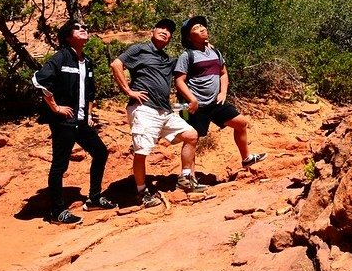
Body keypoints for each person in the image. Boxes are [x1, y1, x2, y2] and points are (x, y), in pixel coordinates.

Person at [110, 18, 207, 208]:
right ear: (152, 31)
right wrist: (129, 91)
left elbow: (187, 63)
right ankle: (141, 192)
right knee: (142, 151)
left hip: (165, 110)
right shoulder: (139, 49)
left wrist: (203, 46)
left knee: (191, 135)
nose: (165, 31)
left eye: (169, 30)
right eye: (161, 28)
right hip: (144, 109)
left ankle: (186, 178)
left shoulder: (166, 59)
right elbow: (116, 65)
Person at [32, 19, 116, 225]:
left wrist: (89, 114)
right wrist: (55, 107)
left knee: (100, 152)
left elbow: (90, 92)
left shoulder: (86, 62)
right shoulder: (60, 58)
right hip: (64, 121)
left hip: (80, 121)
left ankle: (94, 198)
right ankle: (57, 211)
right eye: (78, 28)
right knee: (60, 165)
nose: (84, 29)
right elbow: (39, 80)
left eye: (85, 27)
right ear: (68, 36)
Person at [174, 15, 266, 169]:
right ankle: (189, 178)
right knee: (192, 139)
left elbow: (223, 73)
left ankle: (246, 158)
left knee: (241, 123)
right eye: (196, 28)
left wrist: (223, 93)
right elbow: (179, 81)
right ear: (189, 37)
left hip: (215, 103)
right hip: (194, 106)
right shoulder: (186, 56)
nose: (202, 29)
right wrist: (192, 99)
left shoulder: (215, 51)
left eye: (202, 26)